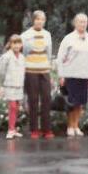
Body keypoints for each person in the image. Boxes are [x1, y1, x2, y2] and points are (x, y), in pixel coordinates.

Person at [56, 13, 88, 137]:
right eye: (80, 22)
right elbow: (60, 57)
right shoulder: (68, 38)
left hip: (84, 75)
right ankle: (70, 126)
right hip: (70, 74)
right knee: (71, 103)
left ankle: (76, 126)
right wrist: (61, 75)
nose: (82, 24)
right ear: (75, 23)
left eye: (84, 22)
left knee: (80, 103)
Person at [21, 10, 54, 140]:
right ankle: (34, 129)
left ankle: (47, 129)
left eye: (42, 19)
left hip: (44, 70)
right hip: (30, 70)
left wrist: (49, 67)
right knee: (33, 100)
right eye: (38, 19)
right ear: (33, 20)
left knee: (46, 99)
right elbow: (23, 53)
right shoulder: (25, 35)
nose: (40, 21)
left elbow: (49, 53)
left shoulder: (47, 35)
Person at [0, 35, 26, 140]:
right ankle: (10, 129)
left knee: (17, 107)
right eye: (14, 43)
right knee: (12, 106)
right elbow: (1, 72)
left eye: (18, 43)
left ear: (21, 45)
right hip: (9, 85)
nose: (16, 46)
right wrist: (3, 82)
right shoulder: (6, 57)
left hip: (19, 85)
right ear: (10, 44)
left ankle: (13, 128)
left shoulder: (22, 57)